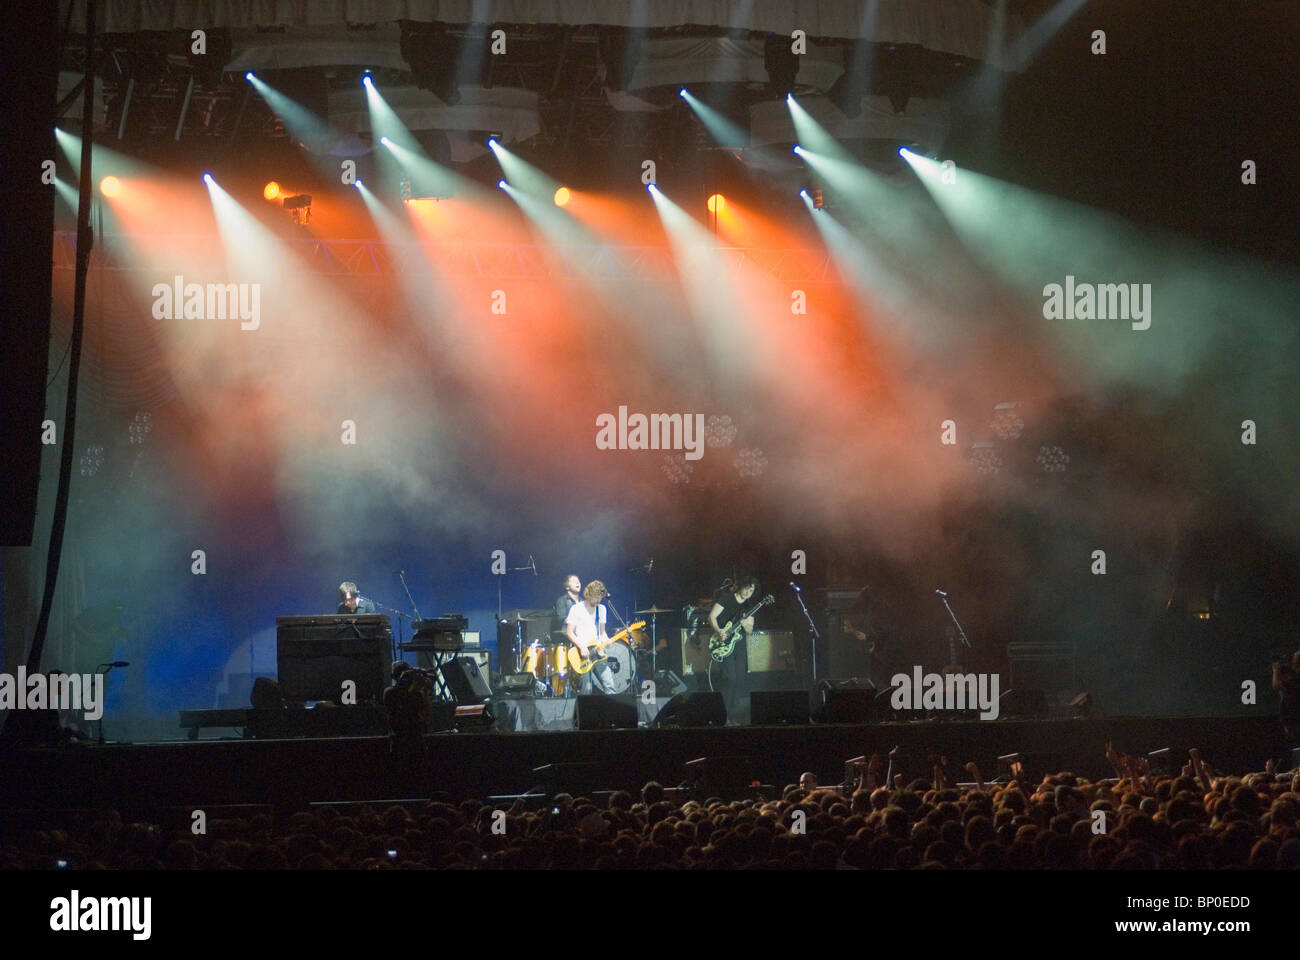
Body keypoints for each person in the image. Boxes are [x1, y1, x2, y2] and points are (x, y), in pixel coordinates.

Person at [706, 576, 760, 722]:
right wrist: (719, 631)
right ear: (741, 586)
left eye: (752, 591)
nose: (748, 592)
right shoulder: (727, 598)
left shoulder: (749, 606)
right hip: (723, 642)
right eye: (747, 588)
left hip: (739, 645)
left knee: (739, 679)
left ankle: (733, 715)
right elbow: (712, 617)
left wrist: (745, 624)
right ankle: (722, 714)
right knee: (730, 678)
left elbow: (749, 630)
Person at [565, 580, 617, 695]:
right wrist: (581, 647)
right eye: (596, 597)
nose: (598, 600)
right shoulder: (576, 609)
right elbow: (569, 632)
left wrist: (607, 640)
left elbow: (602, 632)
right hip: (582, 653)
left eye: (600, 598)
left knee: (610, 686)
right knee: (586, 690)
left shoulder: (601, 609)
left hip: (598, 652)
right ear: (588, 594)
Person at [1272, 649, 1300, 748]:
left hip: (1295, 722)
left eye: (1294, 662)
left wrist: (1276, 671)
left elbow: (1276, 685)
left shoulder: (1296, 679)